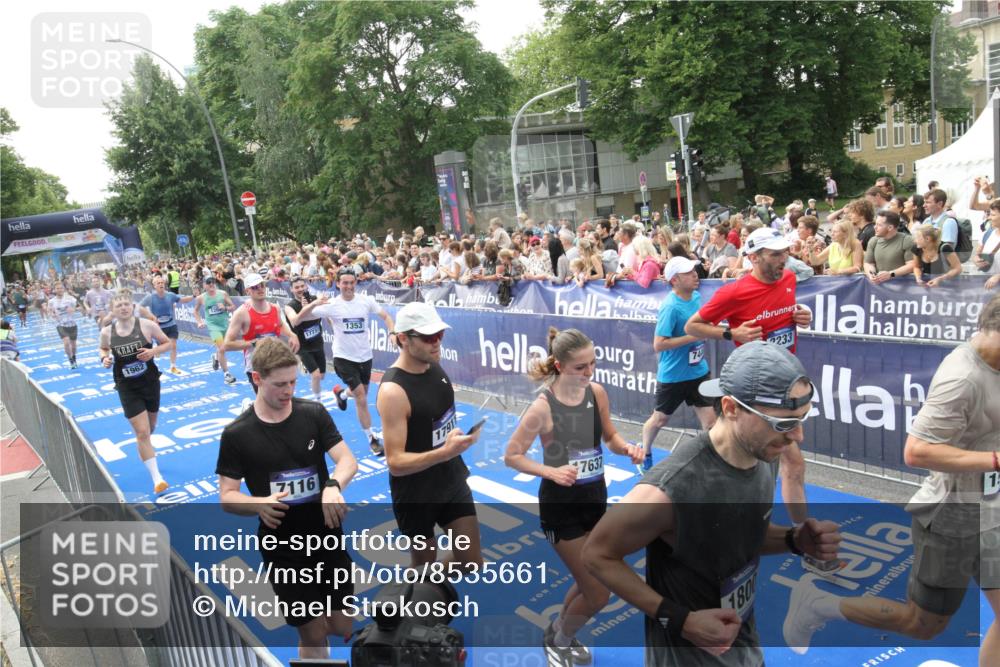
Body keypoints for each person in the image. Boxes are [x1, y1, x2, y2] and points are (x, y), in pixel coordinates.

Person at [582, 341, 841, 666]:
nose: (798, 436)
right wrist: (682, 621)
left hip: (743, 647)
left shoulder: (764, 451)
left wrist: (792, 540)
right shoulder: (672, 487)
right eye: (784, 423)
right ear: (731, 408)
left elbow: (737, 534)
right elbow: (597, 554)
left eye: (802, 419)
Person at [781, 293, 1000, 665]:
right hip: (953, 516)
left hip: (990, 509)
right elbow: (916, 452)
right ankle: (820, 604)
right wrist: (994, 460)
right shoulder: (962, 378)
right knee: (923, 623)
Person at [504, 327, 643, 666]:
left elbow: (609, 437)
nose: (589, 372)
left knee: (587, 581)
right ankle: (561, 640)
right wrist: (550, 471)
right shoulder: (542, 406)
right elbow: (512, 455)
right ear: (559, 365)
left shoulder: (596, 392)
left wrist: (626, 448)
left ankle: (559, 632)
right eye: (581, 367)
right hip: (560, 507)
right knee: (598, 590)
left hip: (595, 498)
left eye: (592, 363)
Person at [216, 337, 358, 660]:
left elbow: (348, 460)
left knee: (340, 624)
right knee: (313, 632)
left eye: (293, 382)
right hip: (284, 549)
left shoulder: (313, 414)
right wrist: (257, 504)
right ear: (257, 379)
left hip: (327, 537)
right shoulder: (237, 434)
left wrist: (334, 484)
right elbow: (227, 496)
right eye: (279, 384)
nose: (289, 391)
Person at [685, 227, 814, 551]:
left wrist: (801, 316)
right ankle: (734, 532)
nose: (783, 259)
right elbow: (693, 326)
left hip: (784, 390)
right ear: (753, 257)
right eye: (775, 254)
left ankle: (801, 535)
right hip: (754, 395)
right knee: (758, 467)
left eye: (785, 251)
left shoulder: (788, 279)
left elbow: (785, 319)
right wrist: (732, 333)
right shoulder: (735, 292)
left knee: (788, 463)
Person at [376, 302, 483, 568]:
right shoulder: (393, 391)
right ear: (403, 339)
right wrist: (444, 452)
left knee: (471, 561)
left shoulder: (434, 365)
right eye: (428, 337)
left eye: (440, 335)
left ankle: (421, 590)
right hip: (416, 491)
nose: (436, 343)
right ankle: (409, 598)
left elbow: (437, 421)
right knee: (423, 566)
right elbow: (396, 463)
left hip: (451, 478)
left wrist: (453, 440)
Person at [640, 257, 717, 473]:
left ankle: (712, 464)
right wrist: (694, 336)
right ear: (674, 280)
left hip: (698, 371)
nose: (695, 274)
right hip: (673, 375)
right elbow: (659, 344)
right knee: (659, 419)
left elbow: (702, 324)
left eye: (694, 270)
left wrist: (709, 328)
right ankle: (645, 451)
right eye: (688, 273)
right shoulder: (670, 307)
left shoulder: (697, 297)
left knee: (711, 424)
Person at [98, 289, 175, 494]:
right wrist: (104, 358)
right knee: (141, 432)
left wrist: (153, 351)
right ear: (112, 311)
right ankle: (157, 478)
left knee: (150, 427)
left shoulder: (147, 326)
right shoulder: (107, 332)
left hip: (149, 382)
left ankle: (146, 449)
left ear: (132, 306)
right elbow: (103, 349)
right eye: (118, 305)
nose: (123, 308)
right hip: (126, 386)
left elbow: (167, 343)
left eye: (126, 304)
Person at [312, 269, 394, 456]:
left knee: (362, 392)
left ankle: (341, 395)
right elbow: (307, 315)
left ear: (356, 283)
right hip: (343, 357)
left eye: (351, 282)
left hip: (364, 356)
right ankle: (372, 439)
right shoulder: (332, 304)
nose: (348, 286)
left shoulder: (366, 301)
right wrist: (310, 304)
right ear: (338, 284)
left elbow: (387, 317)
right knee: (361, 397)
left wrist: (392, 331)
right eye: (344, 283)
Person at [224, 272, 300, 397]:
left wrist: (292, 335)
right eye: (255, 287)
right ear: (248, 291)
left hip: (276, 362)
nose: (260, 289)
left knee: (282, 400)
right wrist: (254, 343)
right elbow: (227, 344)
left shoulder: (275, 308)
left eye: (262, 285)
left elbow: (280, 325)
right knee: (267, 402)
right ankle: (251, 407)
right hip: (256, 366)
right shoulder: (242, 313)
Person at [284, 277, 331, 402]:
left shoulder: (315, 299)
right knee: (315, 375)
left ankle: (306, 367)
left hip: (317, 342)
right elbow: (295, 321)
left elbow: (326, 313)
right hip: (302, 346)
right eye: (297, 287)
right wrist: (311, 307)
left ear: (306, 286)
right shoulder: (290, 306)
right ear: (291, 289)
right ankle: (318, 400)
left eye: (302, 286)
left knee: (321, 376)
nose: (300, 289)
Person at [140, 275, 194, 374]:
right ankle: (155, 357)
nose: (161, 284)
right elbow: (140, 307)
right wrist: (151, 317)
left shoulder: (170, 295)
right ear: (154, 286)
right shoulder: (150, 298)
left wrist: (193, 296)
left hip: (171, 325)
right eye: (158, 283)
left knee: (173, 345)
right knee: (162, 350)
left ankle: (173, 366)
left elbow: (182, 300)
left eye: (162, 283)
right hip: (158, 328)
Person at [193, 276, 237, 384]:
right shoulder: (201, 298)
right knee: (222, 348)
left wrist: (225, 308)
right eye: (208, 283)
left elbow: (233, 306)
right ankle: (227, 374)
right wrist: (199, 322)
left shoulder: (222, 294)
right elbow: (195, 311)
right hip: (213, 327)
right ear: (204, 285)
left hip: (225, 324)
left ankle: (216, 356)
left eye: (212, 282)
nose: (211, 284)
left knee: (223, 348)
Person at [863, 211, 915, 283]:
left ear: (890, 227)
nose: (875, 227)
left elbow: (912, 265)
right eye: (875, 224)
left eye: (879, 225)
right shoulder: (873, 240)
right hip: (880, 287)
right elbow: (868, 263)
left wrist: (891, 274)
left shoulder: (907, 240)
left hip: (903, 286)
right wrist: (871, 275)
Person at [47, 281, 82, 368]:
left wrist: (74, 309)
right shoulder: (51, 301)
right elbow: (49, 312)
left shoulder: (70, 298)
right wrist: (53, 315)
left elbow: (80, 307)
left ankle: (74, 357)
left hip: (72, 323)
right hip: (60, 324)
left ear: (64, 289)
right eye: (57, 288)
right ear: (54, 290)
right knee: (66, 342)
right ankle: (70, 360)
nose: (59, 290)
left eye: (61, 288)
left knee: (73, 345)